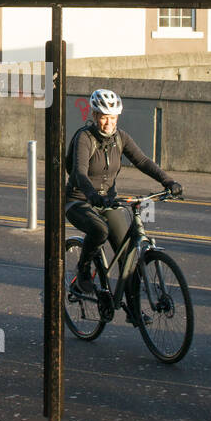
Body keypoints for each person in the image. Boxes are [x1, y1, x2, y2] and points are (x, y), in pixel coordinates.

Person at [65, 88, 183, 292]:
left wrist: (168, 181)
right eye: (103, 117)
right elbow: (79, 173)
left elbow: (142, 161)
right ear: (94, 115)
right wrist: (92, 195)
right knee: (100, 230)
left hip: (108, 201)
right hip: (79, 200)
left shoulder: (120, 138)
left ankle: (133, 311)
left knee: (127, 254)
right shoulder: (84, 138)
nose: (109, 123)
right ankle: (83, 270)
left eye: (113, 117)